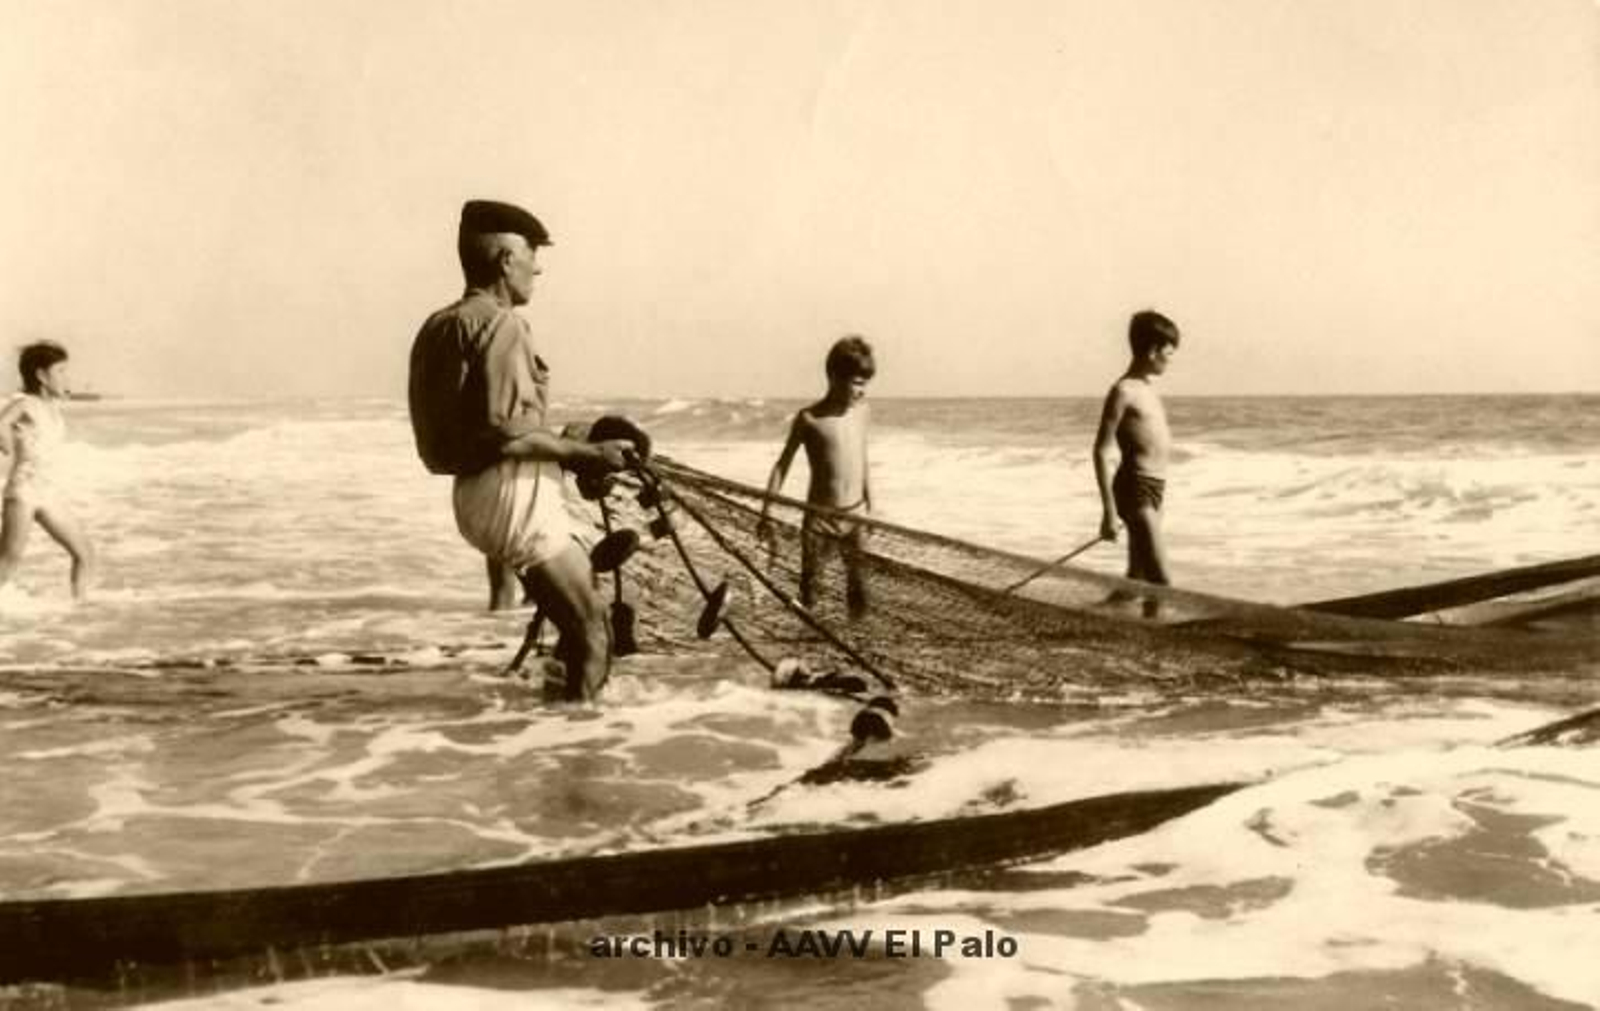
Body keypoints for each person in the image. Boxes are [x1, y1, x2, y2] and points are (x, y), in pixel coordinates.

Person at [407, 200, 633, 701]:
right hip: (512, 494)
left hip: (475, 496)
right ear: (506, 261)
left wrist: (565, 441)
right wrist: (588, 456)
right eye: (532, 254)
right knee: (594, 627)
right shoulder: (503, 323)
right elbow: (507, 433)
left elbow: (467, 433)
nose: (539, 268)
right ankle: (576, 757)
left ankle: (546, 730)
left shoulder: (439, 326)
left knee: (575, 624)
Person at [758, 335, 876, 619]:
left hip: (856, 516)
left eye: (865, 384)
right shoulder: (809, 418)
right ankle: (808, 648)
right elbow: (782, 465)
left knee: (859, 590)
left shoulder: (862, 412)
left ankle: (854, 647)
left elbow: (862, 457)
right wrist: (766, 509)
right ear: (834, 377)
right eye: (857, 383)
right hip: (820, 521)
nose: (862, 391)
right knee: (811, 590)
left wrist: (871, 504)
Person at [1092, 310, 1180, 614]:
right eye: (1168, 354)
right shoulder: (1123, 391)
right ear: (1152, 351)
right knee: (1162, 584)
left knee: (1136, 580)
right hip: (1135, 488)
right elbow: (1102, 451)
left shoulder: (1148, 390)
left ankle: (1092, 617)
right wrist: (1109, 512)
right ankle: (1157, 652)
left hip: (1156, 487)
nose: (1171, 361)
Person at [0, 341, 95, 600]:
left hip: (48, 493)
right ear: (41, 375)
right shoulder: (25, 402)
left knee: (84, 553)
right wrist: (7, 446)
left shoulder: (50, 406)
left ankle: (79, 611)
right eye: (61, 370)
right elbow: (1, 423)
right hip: (24, 491)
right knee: (7, 562)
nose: (67, 376)